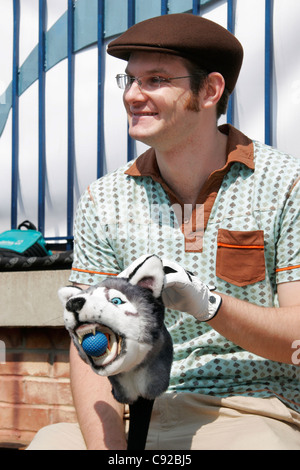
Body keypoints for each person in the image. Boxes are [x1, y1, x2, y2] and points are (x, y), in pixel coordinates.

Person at [27, 13, 300, 450]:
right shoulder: (104, 199)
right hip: (143, 413)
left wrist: (211, 304)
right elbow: (88, 344)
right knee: (49, 443)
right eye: (130, 79)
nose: (133, 95)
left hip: (252, 409)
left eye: (155, 80)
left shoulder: (286, 184)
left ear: (210, 90)